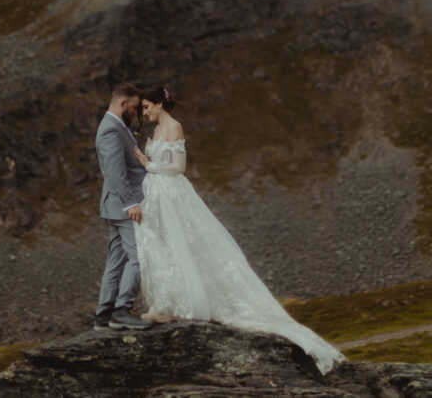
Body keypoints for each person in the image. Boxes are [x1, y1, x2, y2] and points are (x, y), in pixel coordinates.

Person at [132, 86, 345, 373]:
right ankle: (168, 301)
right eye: (143, 108)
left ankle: (187, 302)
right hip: (158, 193)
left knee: (184, 242)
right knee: (167, 245)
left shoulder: (173, 126)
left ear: (159, 104)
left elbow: (179, 166)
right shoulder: (156, 129)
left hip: (172, 192)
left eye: (147, 107)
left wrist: (149, 163)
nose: (145, 113)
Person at [94, 83, 154, 331]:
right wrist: (131, 202)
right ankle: (121, 311)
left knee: (116, 261)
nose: (137, 112)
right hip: (124, 206)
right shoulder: (110, 130)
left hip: (117, 206)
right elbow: (115, 172)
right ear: (122, 104)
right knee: (139, 256)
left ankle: (103, 315)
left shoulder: (118, 127)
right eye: (135, 107)